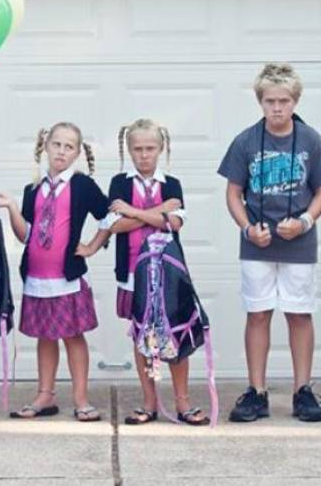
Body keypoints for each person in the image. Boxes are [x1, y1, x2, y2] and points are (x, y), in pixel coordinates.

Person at [218, 63, 321, 422]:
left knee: (300, 314)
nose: (277, 108)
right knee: (258, 314)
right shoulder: (246, 141)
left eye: (284, 100)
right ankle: (257, 392)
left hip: (299, 245)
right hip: (258, 244)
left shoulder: (311, 140)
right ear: (260, 102)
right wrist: (246, 228)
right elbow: (233, 193)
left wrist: (304, 221)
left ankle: (303, 391)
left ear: (295, 100)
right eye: (270, 101)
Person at [85, 118, 209, 425]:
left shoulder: (172, 184)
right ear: (129, 150)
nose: (144, 155)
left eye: (150, 148)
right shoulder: (119, 183)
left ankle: (182, 401)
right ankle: (149, 401)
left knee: (175, 332)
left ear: (161, 148)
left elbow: (175, 223)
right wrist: (157, 214)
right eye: (138, 149)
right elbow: (116, 225)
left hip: (168, 273)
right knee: (142, 336)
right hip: (132, 272)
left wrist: (134, 212)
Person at [0, 122, 107, 422]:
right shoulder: (33, 188)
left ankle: (81, 398)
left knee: (72, 335)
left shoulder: (83, 186)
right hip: (37, 277)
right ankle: (45, 395)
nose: (61, 151)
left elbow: (110, 215)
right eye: (57, 144)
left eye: (69, 146)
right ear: (46, 146)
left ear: (77, 153)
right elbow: (25, 234)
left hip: (66, 277)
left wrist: (94, 245)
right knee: (45, 336)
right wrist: (12, 209)